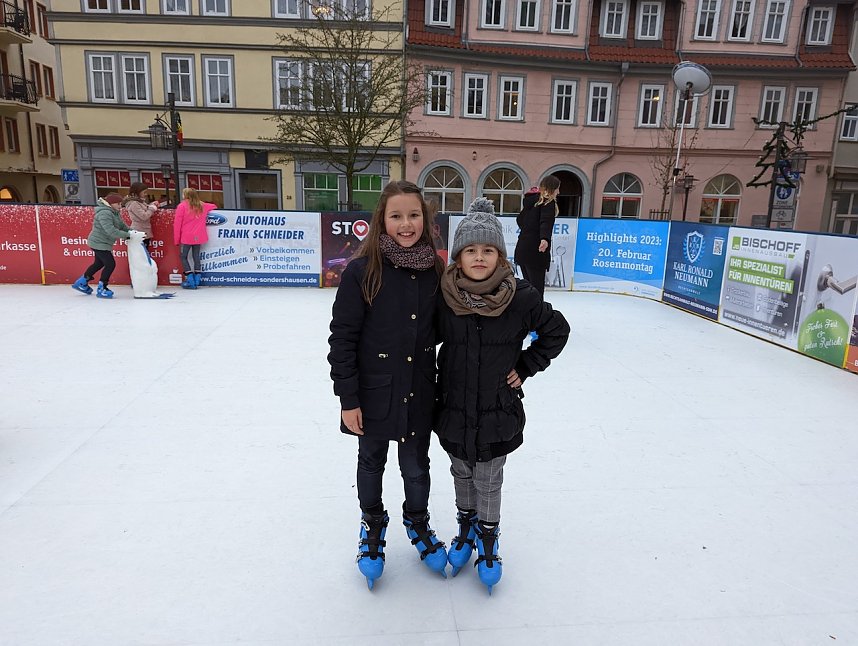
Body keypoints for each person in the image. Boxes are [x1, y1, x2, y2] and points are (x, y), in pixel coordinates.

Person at [436, 197, 570, 593]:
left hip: (497, 410)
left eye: (488, 250)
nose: (479, 258)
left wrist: (527, 366)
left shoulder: (521, 297)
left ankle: (489, 539)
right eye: (471, 251)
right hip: (454, 409)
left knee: (489, 478)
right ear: (458, 257)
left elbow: (557, 331)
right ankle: (465, 529)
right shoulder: (443, 298)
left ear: (500, 254)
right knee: (461, 471)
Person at [327, 180, 448, 589]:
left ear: (425, 219)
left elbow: (451, 325)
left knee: (416, 467)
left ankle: (418, 524)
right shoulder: (363, 271)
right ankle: (373, 527)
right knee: (371, 462)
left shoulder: (435, 268)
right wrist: (348, 398)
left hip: (418, 388)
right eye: (396, 215)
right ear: (382, 220)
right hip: (373, 390)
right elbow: (342, 338)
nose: (406, 223)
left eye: (414, 214)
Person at [70, 193, 130, 299]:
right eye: (118, 204)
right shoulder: (104, 213)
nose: (120, 206)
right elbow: (111, 231)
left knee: (98, 263)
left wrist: (132, 232)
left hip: (103, 242)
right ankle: (102, 288)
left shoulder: (114, 212)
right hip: (98, 242)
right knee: (110, 264)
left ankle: (82, 282)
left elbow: (122, 225)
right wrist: (128, 235)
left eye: (121, 204)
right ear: (110, 204)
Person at [514, 174, 560, 297]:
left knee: (529, 288)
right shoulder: (547, 202)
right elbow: (545, 221)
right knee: (537, 290)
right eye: (557, 189)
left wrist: (529, 230)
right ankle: (537, 315)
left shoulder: (531, 202)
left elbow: (519, 220)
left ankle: (528, 313)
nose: (558, 192)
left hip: (523, 250)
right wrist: (544, 238)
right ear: (552, 189)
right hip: (536, 252)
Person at [173, 187, 215, 289]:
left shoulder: (182, 206)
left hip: (186, 237)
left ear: (185, 196)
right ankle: (197, 279)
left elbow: (177, 224)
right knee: (196, 256)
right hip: (199, 236)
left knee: (184, 256)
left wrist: (176, 239)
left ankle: (190, 279)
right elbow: (214, 205)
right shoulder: (202, 206)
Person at [123, 182, 161, 249]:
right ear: (137, 192)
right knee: (141, 254)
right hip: (139, 231)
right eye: (144, 192)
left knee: (144, 253)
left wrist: (151, 205)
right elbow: (143, 216)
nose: (146, 194)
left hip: (143, 231)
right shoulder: (134, 203)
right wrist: (152, 208)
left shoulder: (139, 201)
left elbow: (145, 210)